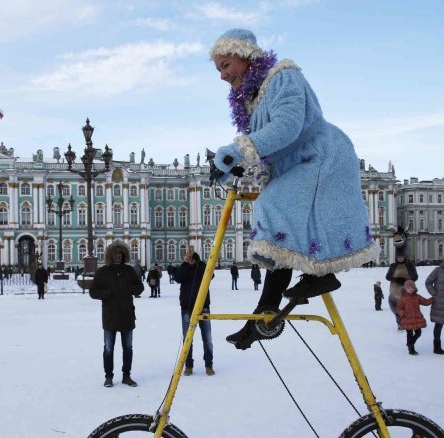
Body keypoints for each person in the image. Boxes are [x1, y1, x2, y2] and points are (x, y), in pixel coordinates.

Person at [210, 29, 378, 350]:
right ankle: (265, 311)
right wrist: (233, 166)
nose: (222, 75)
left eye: (226, 64)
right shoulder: (254, 98)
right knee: (283, 234)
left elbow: (287, 127)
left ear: (245, 56)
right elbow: (267, 148)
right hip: (298, 163)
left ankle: (314, 279)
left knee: (274, 208)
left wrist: (238, 151)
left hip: (320, 158)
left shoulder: (283, 77)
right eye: (218, 68)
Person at [89, 241, 144, 387]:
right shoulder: (102, 272)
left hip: (126, 315)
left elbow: (140, 287)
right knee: (108, 348)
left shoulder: (129, 271)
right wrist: (106, 294)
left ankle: (127, 376)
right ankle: (108, 377)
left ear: (123, 255)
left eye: (119, 253)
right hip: (110, 315)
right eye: (114, 254)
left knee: (128, 348)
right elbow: (93, 292)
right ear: (110, 256)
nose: (117, 256)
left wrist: (130, 289)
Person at [175, 248, 215, 375]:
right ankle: (188, 365)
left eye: (190, 255)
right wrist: (185, 264)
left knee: (207, 338)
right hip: (187, 307)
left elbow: (211, 275)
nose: (188, 256)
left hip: (203, 306)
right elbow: (177, 278)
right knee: (187, 338)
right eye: (186, 255)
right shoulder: (184, 267)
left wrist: (197, 262)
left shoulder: (201, 266)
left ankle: (209, 364)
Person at [395, 279, 433, 355]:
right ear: (405, 289)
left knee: (418, 333)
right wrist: (402, 313)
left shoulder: (417, 297)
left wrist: (433, 299)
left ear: (414, 288)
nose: (410, 290)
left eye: (412, 288)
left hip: (416, 318)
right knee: (409, 334)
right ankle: (411, 349)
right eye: (408, 288)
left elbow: (425, 302)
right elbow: (399, 308)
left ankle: (410, 343)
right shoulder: (402, 298)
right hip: (407, 319)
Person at [386, 252, 418, 330]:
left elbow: (415, 277)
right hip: (395, 289)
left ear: (404, 257)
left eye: (401, 257)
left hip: (408, 288)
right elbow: (388, 277)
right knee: (396, 308)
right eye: (398, 257)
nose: (400, 258)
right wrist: (396, 279)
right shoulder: (393, 266)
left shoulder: (409, 265)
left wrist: (406, 280)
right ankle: (400, 324)